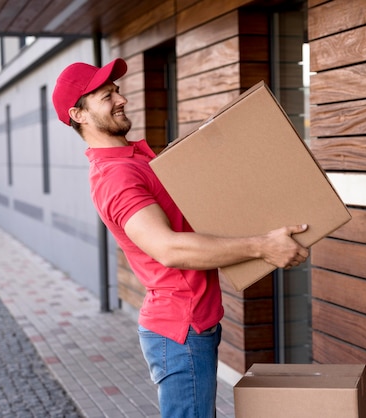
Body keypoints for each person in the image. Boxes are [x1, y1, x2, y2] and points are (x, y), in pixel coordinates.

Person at [52, 58, 309, 418]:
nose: (121, 99)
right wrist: (262, 246)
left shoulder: (135, 159)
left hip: (195, 323)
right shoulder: (115, 176)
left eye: (118, 91)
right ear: (78, 115)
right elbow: (168, 248)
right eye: (106, 96)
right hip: (180, 331)